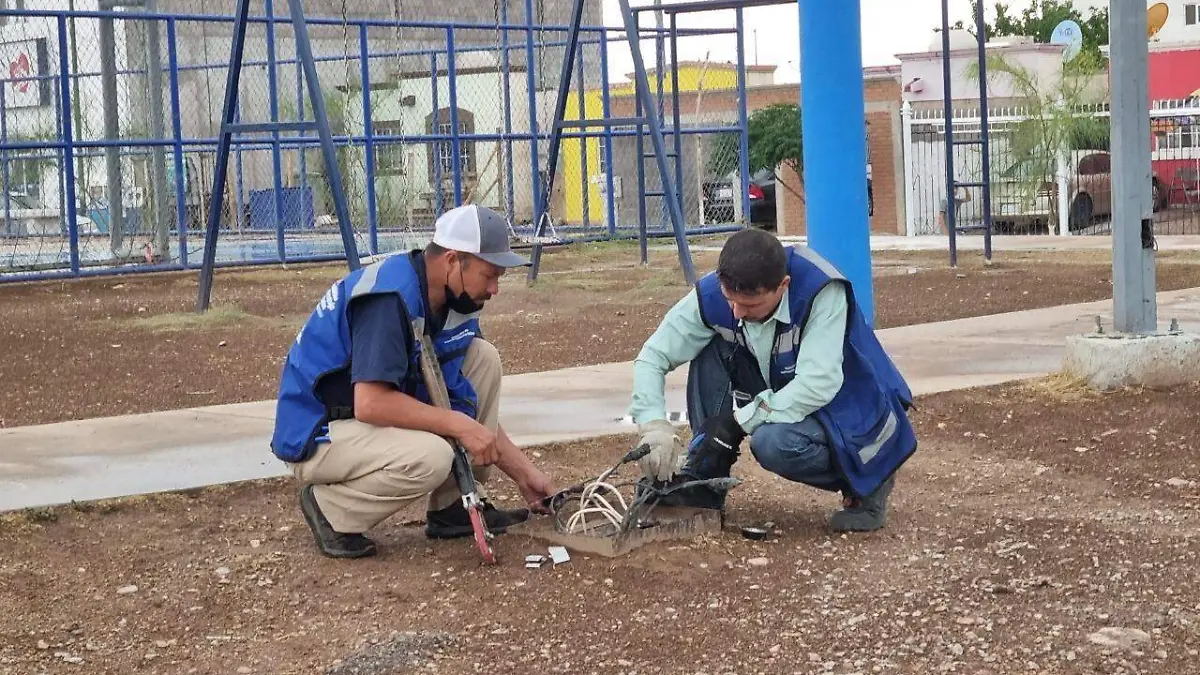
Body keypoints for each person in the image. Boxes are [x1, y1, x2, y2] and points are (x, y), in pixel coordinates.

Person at [271, 204, 556, 558]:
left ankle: (452, 507)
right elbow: (371, 403)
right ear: (453, 260)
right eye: (489, 274)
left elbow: (457, 399)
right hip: (320, 433)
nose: (495, 288)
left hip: (362, 422)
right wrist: (457, 424)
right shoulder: (390, 298)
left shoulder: (452, 298)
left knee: (482, 358)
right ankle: (331, 508)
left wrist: (525, 474)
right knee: (432, 457)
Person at [629, 228, 916, 532]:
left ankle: (870, 481)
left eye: (750, 305)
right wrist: (653, 425)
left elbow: (818, 383)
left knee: (773, 443)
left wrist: (737, 423)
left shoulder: (820, 290)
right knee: (710, 341)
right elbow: (654, 355)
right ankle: (704, 480)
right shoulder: (717, 292)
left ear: (783, 285)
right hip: (785, 386)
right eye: (731, 300)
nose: (737, 312)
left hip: (851, 407)